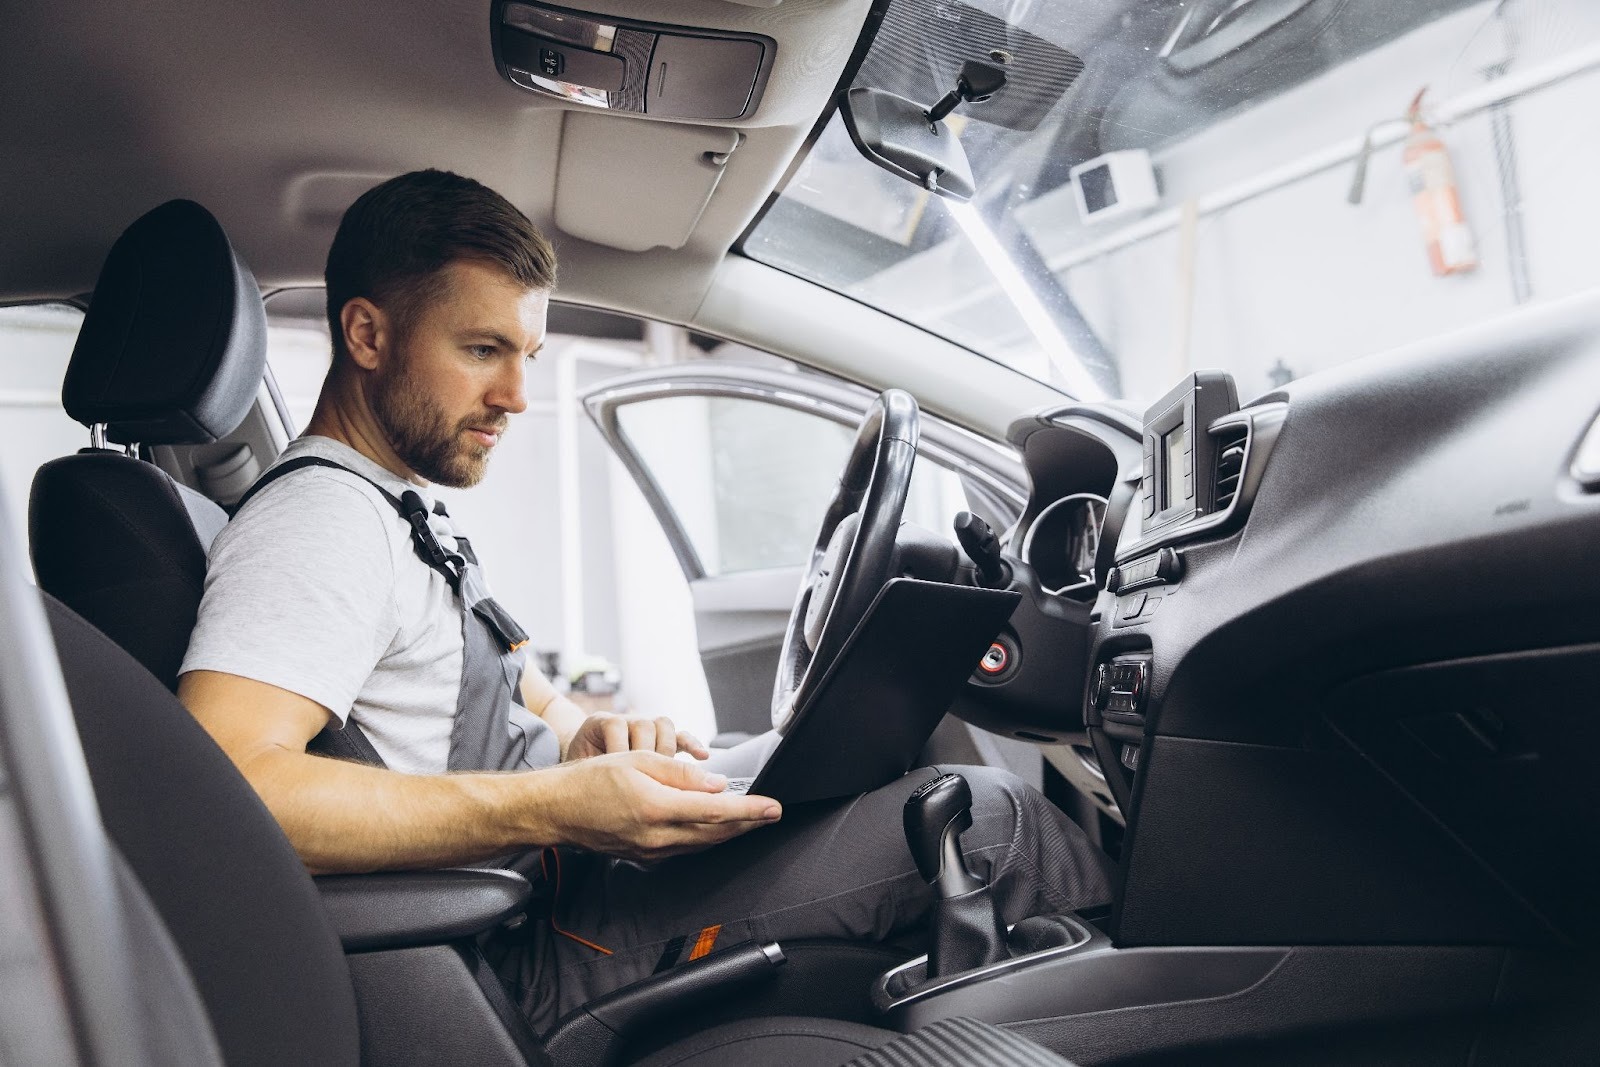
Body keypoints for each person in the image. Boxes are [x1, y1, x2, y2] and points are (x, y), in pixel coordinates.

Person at [178, 169, 1114, 1032]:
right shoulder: (320, 523)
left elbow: (518, 698)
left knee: (859, 767)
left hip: (566, 876)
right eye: (481, 349)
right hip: (528, 942)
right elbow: (228, 787)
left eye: (528, 354)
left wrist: (591, 740)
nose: (516, 395)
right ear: (368, 334)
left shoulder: (399, 505)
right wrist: (553, 806)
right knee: (992, 819)